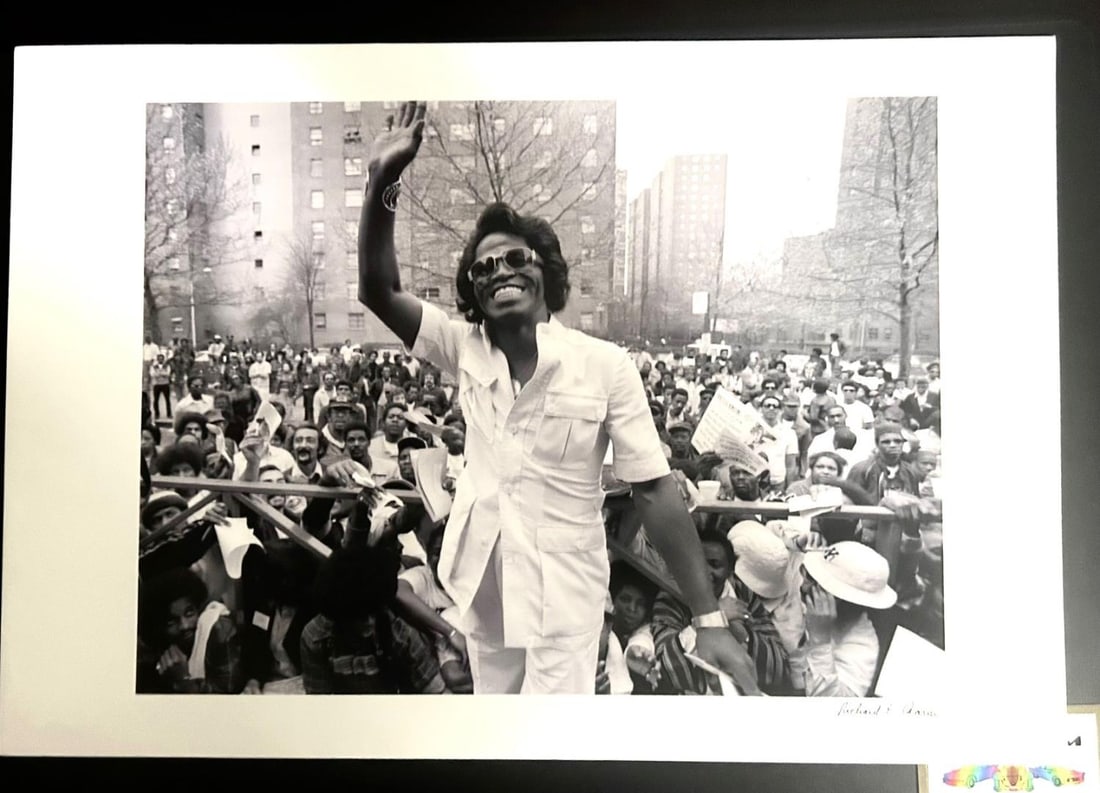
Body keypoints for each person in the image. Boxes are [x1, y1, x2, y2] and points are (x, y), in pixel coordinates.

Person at [356, 101, 754, 694]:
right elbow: (377, 288)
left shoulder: (605, 364)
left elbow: (652, 488)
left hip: (563, 601)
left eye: (515, 258)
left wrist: (709, 616)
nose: (498, 271)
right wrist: (383, 183)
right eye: (482, 267)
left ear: (546, 273)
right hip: (484, 588)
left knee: (550, 746)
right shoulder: (461, 346)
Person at [800, 541, 897, 696]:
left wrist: (820, 641)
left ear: (839, 599)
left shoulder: (863, 644)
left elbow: (836, 708)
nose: (803, 583)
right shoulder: (800, 594)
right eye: (807, 574)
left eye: (813, 581)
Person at [136, 567, 245, 694]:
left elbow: (227, 694)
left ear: (198, 608)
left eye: (189, 613)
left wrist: (183, 680)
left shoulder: (218, 629)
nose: (184, 625)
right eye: (172, 622)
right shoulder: (161, 647)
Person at [149, 353, 173, 420]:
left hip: (165, 384)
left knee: (167, 400)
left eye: (162, 359)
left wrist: (159, 373)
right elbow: (152, 374)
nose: (160, 360)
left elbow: (168, 374)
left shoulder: (167, 366)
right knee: (156, 400)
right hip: (157, 385)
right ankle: (157, 414)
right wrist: (163, 374)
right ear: (157, 359)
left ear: (163, 359)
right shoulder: (153, 366)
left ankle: (169, 414)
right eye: (159, 359)